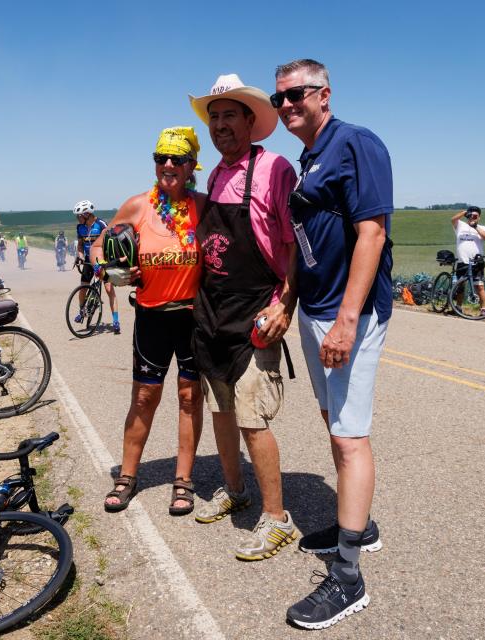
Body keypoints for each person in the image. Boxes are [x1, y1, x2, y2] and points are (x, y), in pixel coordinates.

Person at [274, 58, 391, 629]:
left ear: (324, 93)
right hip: (316, 311)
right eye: (280, 99)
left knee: (349, 439)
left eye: (298, 93)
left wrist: (347, 321)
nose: (288, 104)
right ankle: (358, 526)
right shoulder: (310, 158)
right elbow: (306, 239)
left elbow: (372, 231)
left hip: (350, 314)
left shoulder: (356, 143)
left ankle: (347, 576)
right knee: (331, 418)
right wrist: (292, 302)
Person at [186, 74, 300, 561]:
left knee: (253, 420)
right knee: (222, 412)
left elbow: (295, 246)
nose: (219, 125)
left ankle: (277, 520)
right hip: (213, 313)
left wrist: (285, 304)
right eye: (214, 116)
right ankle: (234, 489)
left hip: (256, 310)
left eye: (229, 115)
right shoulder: (213, 175)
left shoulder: (276, 169)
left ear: (252, 121)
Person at [93, 127, 205, 516]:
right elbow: (98, 246)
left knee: (190, 397)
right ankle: (126, 476)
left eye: (177, 159)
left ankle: (183, 480)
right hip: (151, 317)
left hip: (193, 317)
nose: (168, 165)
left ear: (192, 166)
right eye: (161, 158)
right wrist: (112, 269)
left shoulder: (203, 207)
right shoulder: (138, 206)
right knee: (144, 397)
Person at [73, 199, 120, 333]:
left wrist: (107, 261)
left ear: (87, 214)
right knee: (82, 288)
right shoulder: (80, 227)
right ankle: (82, 311)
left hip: (102, 260)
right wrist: (80, 256)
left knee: (108, 289)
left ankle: (116, 321)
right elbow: (81, 245)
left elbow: (110, 243)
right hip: (88, 260)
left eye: (79, 215)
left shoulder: (101, 224)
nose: (78, 218)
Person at [450, 205, 485, 312]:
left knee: (479, 287)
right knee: (460, 287)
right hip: (462, 261)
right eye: (471, 215)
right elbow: (453, 219)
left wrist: (475, 226)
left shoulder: (482, 227)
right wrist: (464, 213)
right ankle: (458, 308)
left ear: (479, 217)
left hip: (476, 263)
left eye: (475, 216)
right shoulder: (460, 225)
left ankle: (483, 309)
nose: (473, 217)